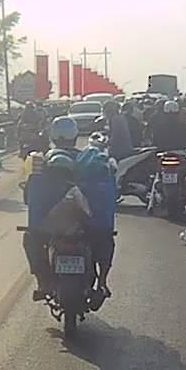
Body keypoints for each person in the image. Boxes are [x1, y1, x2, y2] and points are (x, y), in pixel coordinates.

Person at [22, 117, 83, 300]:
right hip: (83, 223)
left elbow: (29, 196)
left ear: (53, 137)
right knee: (103, 238)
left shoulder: (41, 161)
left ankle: (42, 282)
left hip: (50, 225)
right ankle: (102, 283)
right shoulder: (85, 159)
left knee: (31, 238)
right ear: (75, 136)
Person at [75, 144, 118, 300]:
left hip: (76, 230)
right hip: (100, 231)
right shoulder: (108, 185)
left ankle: (102, 282)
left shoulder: (75, 185)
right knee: (107, 246)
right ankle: (102, 282)